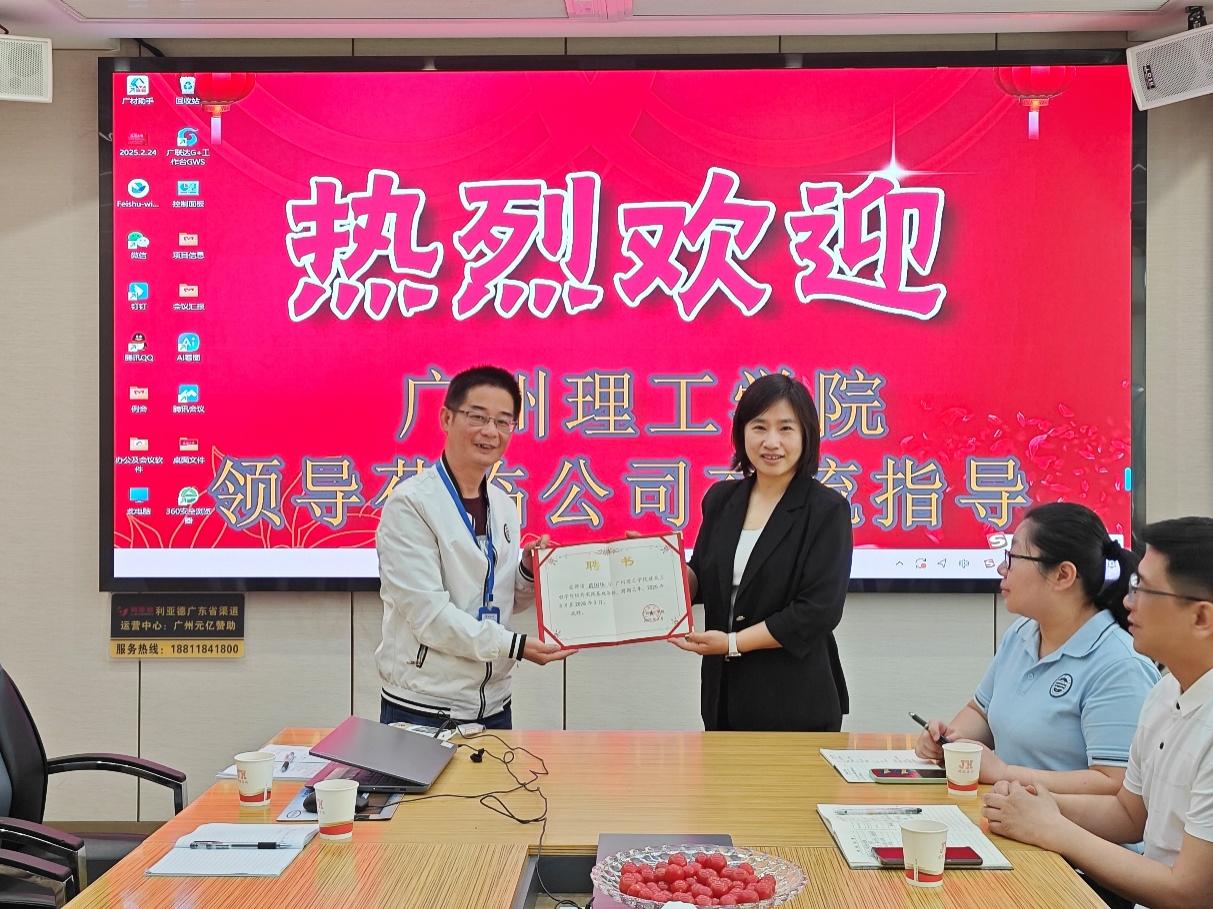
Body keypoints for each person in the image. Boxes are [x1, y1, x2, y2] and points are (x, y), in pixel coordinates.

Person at [982, 517, 1213, 909]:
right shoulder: (1166, 692)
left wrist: (1054, 829)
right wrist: (1028, 802)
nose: (1128, 601)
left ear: (1201, 617)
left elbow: (1189, 892)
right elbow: (1129, 814)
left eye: (1144, 589)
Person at [374, 365, 573, 731]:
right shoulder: (411, 505)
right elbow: (430, 618)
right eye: (477, 417)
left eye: (503, 421)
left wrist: (527, 571)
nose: (490, 432)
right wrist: (515, 646)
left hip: (494, 705)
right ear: (446, 418)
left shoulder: (503, 505)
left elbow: (500, 597)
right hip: (424, 706)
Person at [915, 503, 1159, 795]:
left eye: (1013, 557)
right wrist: (949, 743)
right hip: (1005, 813)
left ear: (1063, 575)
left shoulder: (1120, 665)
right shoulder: (1021, 634)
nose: (1002, 568)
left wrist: (1005, 774)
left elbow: (1116, 786)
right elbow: (982, 713)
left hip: (1064, 823)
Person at [671, 373, 853, 731]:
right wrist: (659, 567)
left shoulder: (826, 510)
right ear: (742, 433)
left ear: (806, 436)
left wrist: (733, 643)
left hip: (795, 700)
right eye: (759, 427)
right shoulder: (721, 499)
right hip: (723, 695)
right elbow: (703, 578)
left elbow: (817, 611)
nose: (772, 442)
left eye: (785, 428)